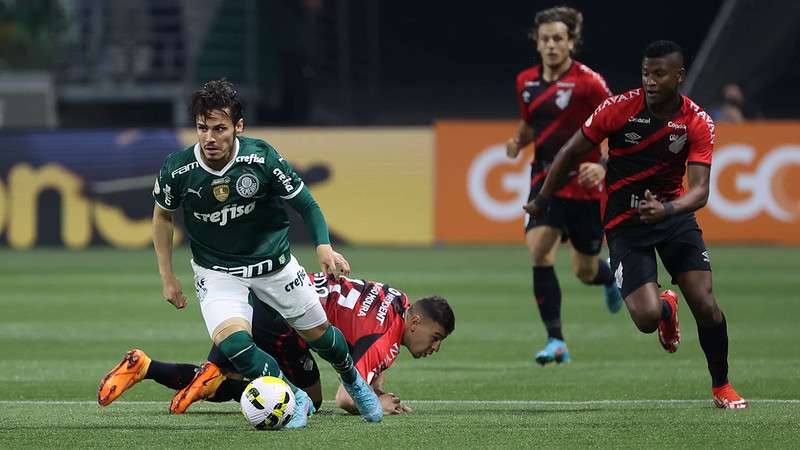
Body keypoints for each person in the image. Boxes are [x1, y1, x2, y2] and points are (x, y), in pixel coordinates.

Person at [145, 79, 383, 428]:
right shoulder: (178, 169)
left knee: (324, 340)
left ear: (238, 127)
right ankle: (293, 397)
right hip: (217, 271)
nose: (209, 138)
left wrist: (323, 245)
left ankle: (351, 378)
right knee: (233, 344)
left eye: (219, 128)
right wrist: (167, 277)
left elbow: (307, 204)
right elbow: (162, 216)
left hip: (274, 265)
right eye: (201, 128)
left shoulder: (261, 157)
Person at [524, 40, 748, 409]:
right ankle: (665, 309)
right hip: (624, 223)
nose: (651, 80)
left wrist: (669, 210)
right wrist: (541, 200)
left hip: (673, 218)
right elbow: (569, 152)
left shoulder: (696, 122)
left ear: (679, 76)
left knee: (706, 305)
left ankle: (721, 386)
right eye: (646, 73)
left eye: (659, 74)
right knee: (645, 318)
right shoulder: (618, 109)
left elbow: (700, 192)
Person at [97, 272, 455, 416]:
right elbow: (346, 398)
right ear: (416, 321)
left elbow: (365, 345)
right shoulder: (387, 337)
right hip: (283, 320)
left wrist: (374, 382)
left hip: (261, 297)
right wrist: (376, 401)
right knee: (304, 402)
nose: (435, 346)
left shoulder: (398, 301)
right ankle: (213, 382)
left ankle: (143, 366)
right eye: (435, 337)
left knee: (224, 368)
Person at [506, 6, 622, 365]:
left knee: (584, 271)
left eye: (559, 38)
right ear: (537, 43)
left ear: (571, 42)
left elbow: (619, 129)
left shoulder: (590, 83)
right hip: (544, 179)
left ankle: (608, 278)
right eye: (545, 39)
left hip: (584, 184)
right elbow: (531, 125)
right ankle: (556, 340)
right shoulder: (526, 81)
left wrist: (602, 166)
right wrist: (517, 141)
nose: (552, 45)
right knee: (539, 251)